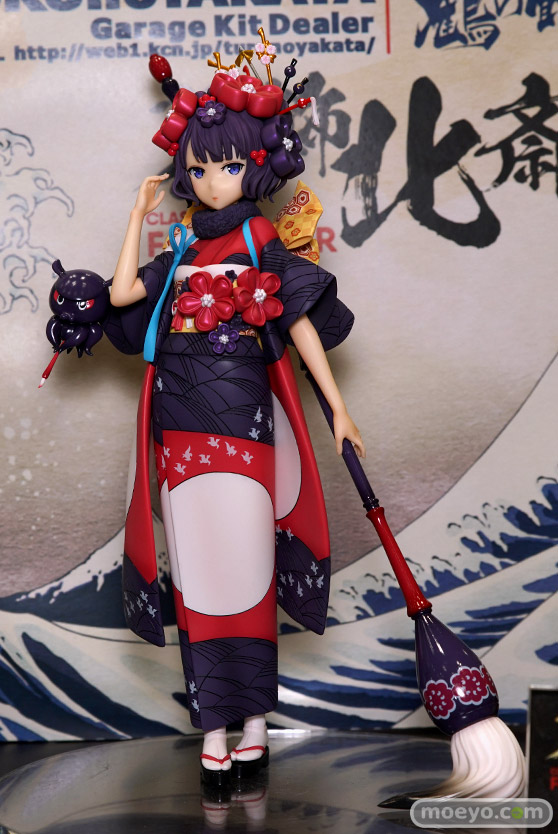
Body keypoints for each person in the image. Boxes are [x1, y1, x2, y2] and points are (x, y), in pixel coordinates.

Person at [106, 52, 365, 785]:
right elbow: (122, 297)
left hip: (245, 416)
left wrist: (338, 408)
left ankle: (253, 724)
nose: (208, 180)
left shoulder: (259, 241)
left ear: (256, 166)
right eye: (197, 168)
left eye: (223, 166)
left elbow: (299, 321)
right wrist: (137, 217)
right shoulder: (183, 243)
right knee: (196, 568)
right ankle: (214, 729)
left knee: (249, 560)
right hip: (180, 416)